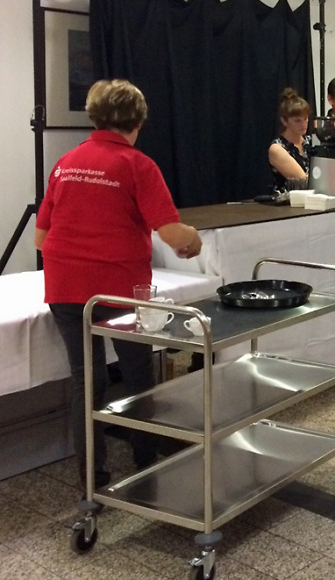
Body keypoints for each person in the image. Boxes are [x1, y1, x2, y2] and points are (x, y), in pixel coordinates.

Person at [35, 79, 202, 491]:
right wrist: (193, 239)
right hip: (118, 287)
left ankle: (92, 480)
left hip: (65, 286)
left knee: (86, 380)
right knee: (137, 372)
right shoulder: (137, 165)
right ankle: (146, 466)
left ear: (94, 117)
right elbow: (173, 235)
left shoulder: (65, 163)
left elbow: (41, 238)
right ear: (139, 121)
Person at [268, 88, 312, 192]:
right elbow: (303, 181)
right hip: (288, 200)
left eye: (305, 118)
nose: (303, 124)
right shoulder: (277, 148)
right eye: (297, 121)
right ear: (284, 121)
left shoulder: (311, 142)